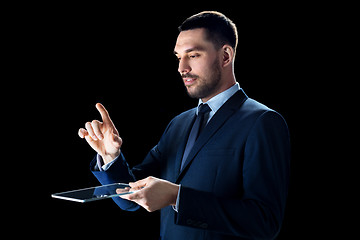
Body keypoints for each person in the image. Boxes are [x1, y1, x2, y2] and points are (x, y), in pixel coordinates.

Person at [78, 11, 290, 240]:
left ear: (226, 56)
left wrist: (177, 197)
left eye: (193, 55)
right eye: (178, 56)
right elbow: (130, 201)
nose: (181, 68)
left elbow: (264, 221)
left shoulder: (262, 122)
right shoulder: (178, 124)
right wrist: (111, 158)